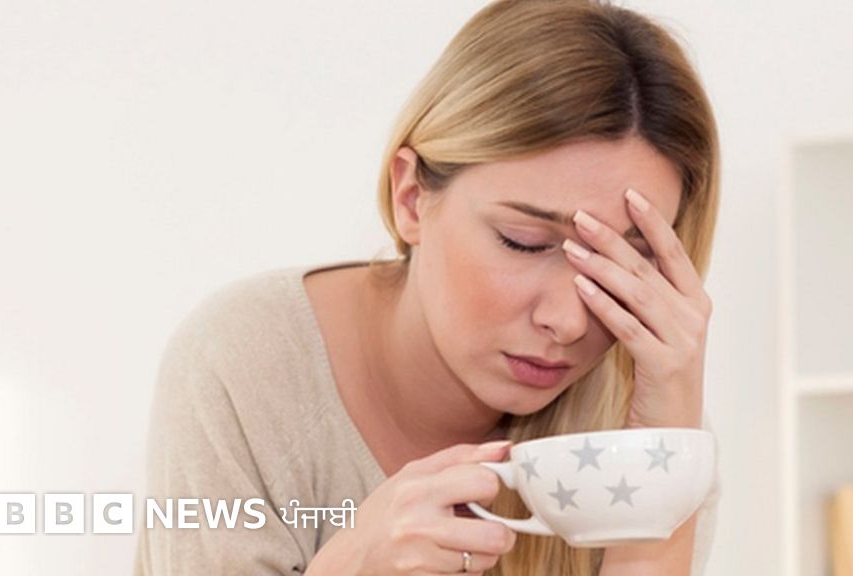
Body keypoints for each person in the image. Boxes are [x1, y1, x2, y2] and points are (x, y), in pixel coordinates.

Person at [133, 0, 722, 574]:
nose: (567, 322)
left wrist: (667, 458)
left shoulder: (644, 431)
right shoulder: (247, 367)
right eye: (523, 241)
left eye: (621, 262)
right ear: (411, 197)